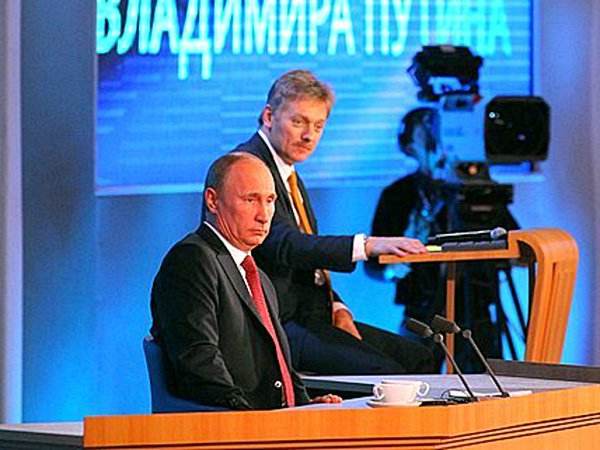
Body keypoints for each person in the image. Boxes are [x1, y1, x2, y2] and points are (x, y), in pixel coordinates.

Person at [236, 69, 435, 375]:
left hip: (312, 313)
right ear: (269, 116)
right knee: (388, 374)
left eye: (318, 126)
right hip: (277, 323)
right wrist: (366, 246)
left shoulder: (286, 169)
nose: (309, 136)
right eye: (299, 122)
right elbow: (284, 244)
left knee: (419, 358)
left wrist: (338, 306)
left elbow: (308, 259)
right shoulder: (249, 167)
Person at [150, 152, 341, 410]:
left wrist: (305, 407)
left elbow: (279, 366)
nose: (264, 215)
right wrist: (253, 421)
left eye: (270, 200)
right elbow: (200, 364)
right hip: (229, 423)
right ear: (213, 201)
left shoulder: (258, 277)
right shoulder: (191, 260)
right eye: (250, 199)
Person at [366, 107, 515, 372]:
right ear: (409, 146)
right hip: (421, 311)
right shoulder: (397, 195)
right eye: (427, 138)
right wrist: (395, 267)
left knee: (486, 387)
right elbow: (373, 264)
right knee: (415, 382)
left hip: (475, 310)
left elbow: (512, 242)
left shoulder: (473, 191)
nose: (437, 146)